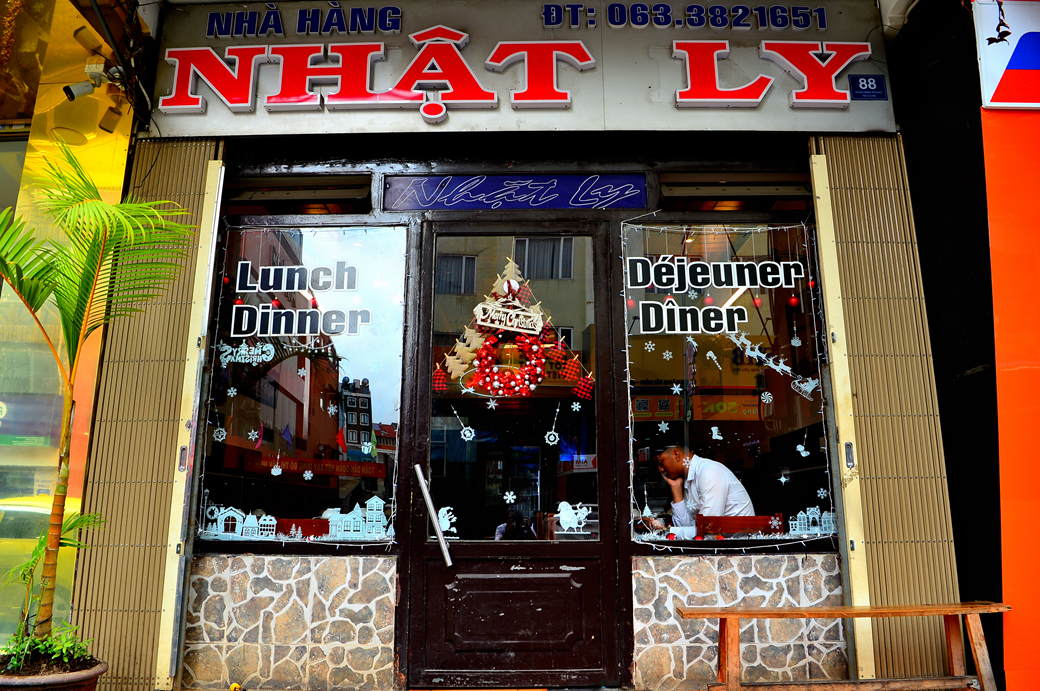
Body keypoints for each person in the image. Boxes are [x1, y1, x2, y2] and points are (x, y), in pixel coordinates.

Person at [654, 445, 755, 538]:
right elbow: (687, 527)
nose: (660, 470)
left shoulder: (709, 472)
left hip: (743, 545)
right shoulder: (688, 479)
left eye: (661, 462)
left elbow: (709, 530)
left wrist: (666, 530)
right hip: (720, 544)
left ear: (676, 455)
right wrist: (676, 489)